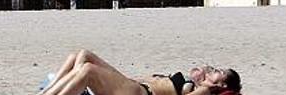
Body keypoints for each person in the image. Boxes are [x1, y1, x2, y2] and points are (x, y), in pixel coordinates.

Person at [40, 50, 241, 95]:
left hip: (140, 93)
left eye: (219, 72)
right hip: (133, 84)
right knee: (82, 55)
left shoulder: (204, 91)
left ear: (221, 84)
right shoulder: (198, 84)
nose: (214, 70)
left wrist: (206, 85)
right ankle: (46, 92)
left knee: (88, 70)